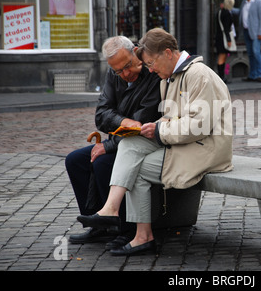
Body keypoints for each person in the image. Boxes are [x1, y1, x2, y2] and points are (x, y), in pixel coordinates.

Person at [77, 28, 234, 256]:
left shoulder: (199, 75)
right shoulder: (168, 78)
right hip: (183, 142)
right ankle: (112, 210)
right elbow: (173, 118)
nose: (149, 69)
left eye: (151, 63)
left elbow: (199, 125)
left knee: (137, 166)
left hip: (206, 149)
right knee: (131, 144)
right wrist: (155, 127)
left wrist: (159, 128)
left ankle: (142, 235)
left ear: (168, 53)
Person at [65, 36, 161, 248]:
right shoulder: (114, 71)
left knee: (102, 162)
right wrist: (123, 120)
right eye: (119, 71)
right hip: (120, 140)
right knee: (75, 160)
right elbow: (101, 115)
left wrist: (107, 144)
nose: (125, 74)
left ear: (135, 52)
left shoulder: (153, 74)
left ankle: (126, 230)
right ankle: (99, 224)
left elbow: (142, 126)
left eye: (127, 66)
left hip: (142, 144)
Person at [238, 0, 261, 83]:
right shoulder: (244, 2)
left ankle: (260, 74)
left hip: (256, 32)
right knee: (250, 54)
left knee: (256, 52)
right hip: (246, 31)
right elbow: (240, 12)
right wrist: (230, 9)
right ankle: (252, 74)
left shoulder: (259, 2)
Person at [215, 0, 236, 84]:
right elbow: (227, 28)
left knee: (221, 56)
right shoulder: (227, 13)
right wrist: (229, 40)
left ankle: (221, 76)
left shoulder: (220, 12)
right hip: (224, 38)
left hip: (219, 36)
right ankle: (221, 77)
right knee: (222, 57)